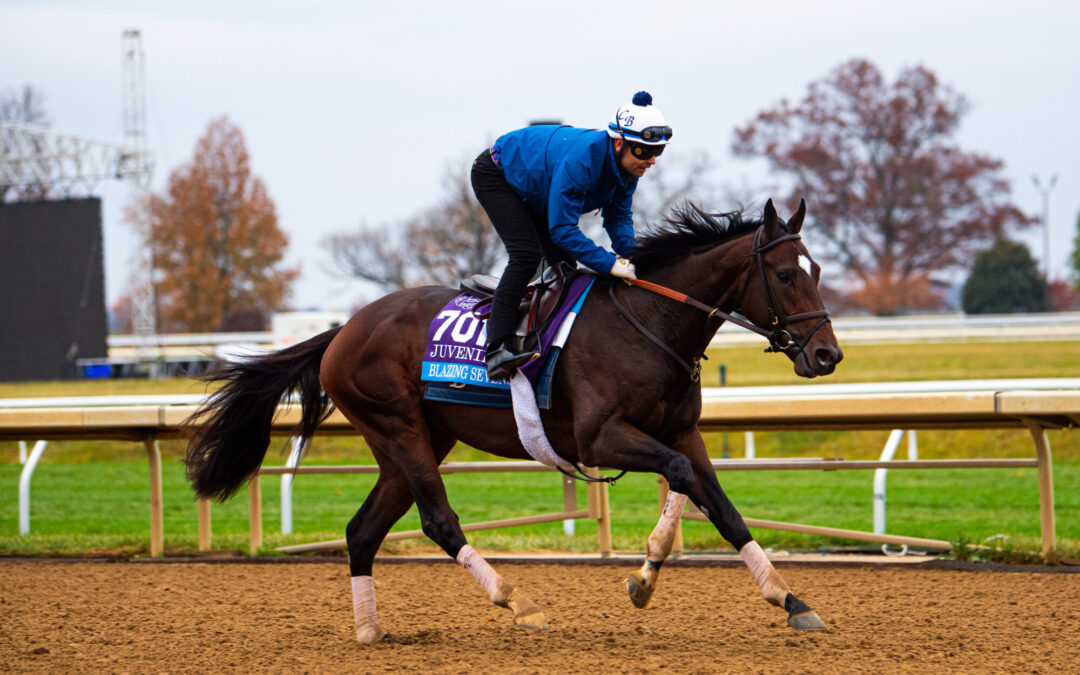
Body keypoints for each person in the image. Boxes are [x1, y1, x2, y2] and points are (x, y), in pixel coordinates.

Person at [471, 91, 673, 380]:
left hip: (539, 188)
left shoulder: (628, 171)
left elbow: (617, 219)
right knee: (527, 255)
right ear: (618, 143)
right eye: (644, 151)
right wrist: (609, 263)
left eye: (658, 151)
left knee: (566, 269)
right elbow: (562, 230)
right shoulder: (581, 162)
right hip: (497, 176)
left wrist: (634, 257)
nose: (651, 161)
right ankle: (496, 350)